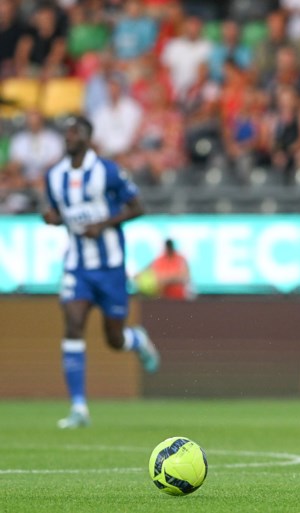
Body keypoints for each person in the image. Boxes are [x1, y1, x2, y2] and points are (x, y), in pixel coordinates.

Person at [42, 116, 160, 429]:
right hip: (77, 266)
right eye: (65, 131)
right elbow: (58, 211)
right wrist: (52, 217)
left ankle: (136, 339)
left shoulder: (106, 171)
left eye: (74, 131)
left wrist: (104, 225)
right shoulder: (54, 176)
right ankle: (79, 407)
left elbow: (137, 207)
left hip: (110, 267)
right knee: (73, 322)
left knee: (114, 338)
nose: (68, 137)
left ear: (87, 137)